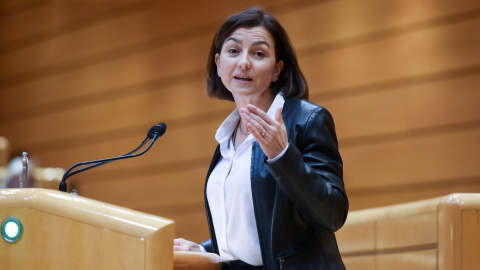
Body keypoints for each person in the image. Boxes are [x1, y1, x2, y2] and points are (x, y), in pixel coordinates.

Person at [174, 6, 348, 270]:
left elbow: (332, 213)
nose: (244, 62)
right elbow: (253, 229)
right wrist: (203, 249)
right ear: (219, 64)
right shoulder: (226, 139)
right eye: (233, 51)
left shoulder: (306, 120)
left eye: (258, 53)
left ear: (277, 69)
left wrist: (283, 155)